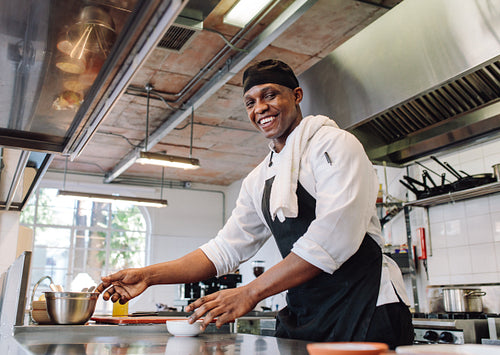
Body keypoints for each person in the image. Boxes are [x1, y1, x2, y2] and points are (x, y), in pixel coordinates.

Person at [97, 59, 414, 348]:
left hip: (366, 304)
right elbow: (224, 250)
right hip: (308, 310)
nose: (260, 108)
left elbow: (334, 236)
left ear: (297, 96)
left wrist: (250, 292)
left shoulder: (333, 144)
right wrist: (149, 276)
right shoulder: (258, 179)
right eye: (251, 102)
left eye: (270, 95)